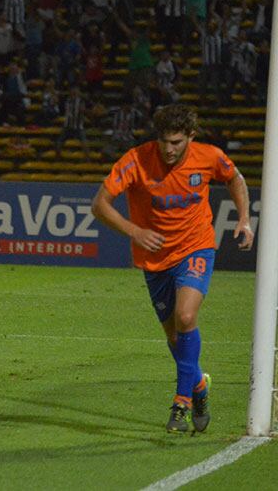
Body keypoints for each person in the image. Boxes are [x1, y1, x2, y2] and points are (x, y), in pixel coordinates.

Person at [91, 104, 253, 433]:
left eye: (177, 142)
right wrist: (135, 231)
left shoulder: (209, 156)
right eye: (164, 141)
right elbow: (99, 205)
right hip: (154, 259)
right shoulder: (136, 160)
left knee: (186, 317)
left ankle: (182, 402)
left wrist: (245, 219)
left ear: (191, 137)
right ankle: (199, 387)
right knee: (175, 337)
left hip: (195, 247)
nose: (169, 149)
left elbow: (235, 179)